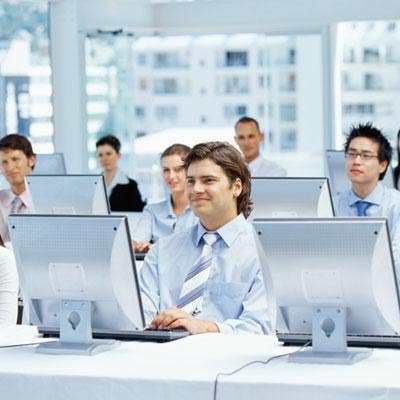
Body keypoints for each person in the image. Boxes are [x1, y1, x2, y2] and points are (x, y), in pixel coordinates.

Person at [139, 141, 271, 335]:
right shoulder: (162, 251)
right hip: (159, 351)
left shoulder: (264, 253)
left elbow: (260, 327)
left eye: (208, 180)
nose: (196, 189)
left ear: (236, 187)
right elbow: (140, 320)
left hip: (231, 354)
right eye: (191, 181)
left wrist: (206, 327)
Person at [336, 123, 400, 268]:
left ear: (383, 165)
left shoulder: (396, 205)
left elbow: (397, 262)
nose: (356, 161)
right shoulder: (333, 205)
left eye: (366, 156)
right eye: (351, 154)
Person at [132, 144, 197, 253]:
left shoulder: (202, 211)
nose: (171, 176)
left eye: (178, 169)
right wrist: (136, 245)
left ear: (191, 170)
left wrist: (157, 247)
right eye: (166, 170)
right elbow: (137, 241)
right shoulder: (152, 211)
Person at [0, 134, 35, 244]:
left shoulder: (45, 203)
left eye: (15, 159)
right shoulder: (0, 200)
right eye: (4, 162)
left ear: (31, 160)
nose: (10, 167)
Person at [96, 134, 145, 212]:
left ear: (118, 155)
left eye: (108, 154)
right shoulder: (93, 184)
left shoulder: (131, 186)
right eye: (100, 155)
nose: (104, 159)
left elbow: (138, 213)